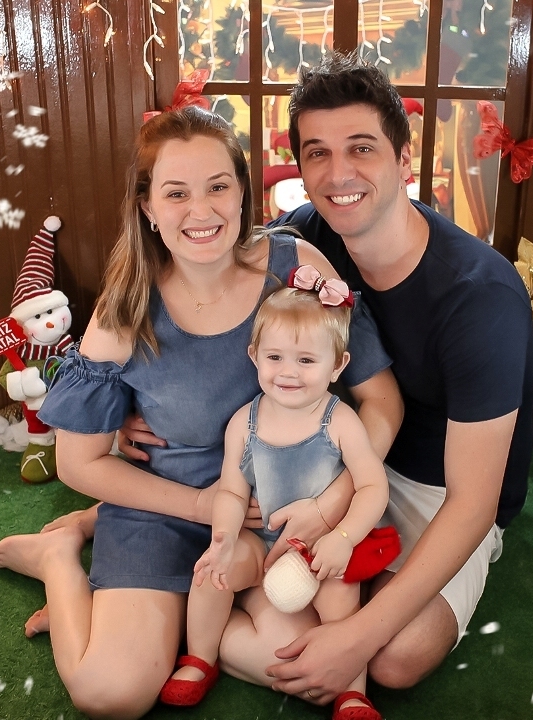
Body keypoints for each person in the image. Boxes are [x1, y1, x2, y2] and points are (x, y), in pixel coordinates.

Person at [0, 105, 402, 719]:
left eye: (217, 187)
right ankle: (58, 561)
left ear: (243, 192)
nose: (200, 211)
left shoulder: (297, 270)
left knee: (310, 671)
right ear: (148, 207)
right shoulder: (126, 306)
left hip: (276, 519)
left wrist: (333, 502)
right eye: (176, 193)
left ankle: (176, 618)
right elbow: (78, 462)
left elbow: (382, 401)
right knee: (111, 695)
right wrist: (203, 506)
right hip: (165, 508)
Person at [212, 52, 533, 702]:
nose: (339, 174)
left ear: (403, 160)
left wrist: (356, 641)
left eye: (361, 148)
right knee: (227, 504)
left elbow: (474, 503)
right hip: (335, 451)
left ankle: (217, 634)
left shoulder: (480, 296)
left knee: (392, 658)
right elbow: (204, 281)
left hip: (439, 487)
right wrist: (133, 399)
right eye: (318, 154)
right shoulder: (309, 235)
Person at [160, 282, 390, 720]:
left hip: (321, 545)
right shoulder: (244, 423)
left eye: (306, 360)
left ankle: (352, 692)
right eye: (275, 357)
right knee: (212, 572)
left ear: (337, 365)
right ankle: (200, 658)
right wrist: (224, 538)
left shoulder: (339, 421)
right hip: (260, 540)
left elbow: (373, 488)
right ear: (254, 356)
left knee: (341, 597)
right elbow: (232, 491)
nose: (288, 372)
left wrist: (344, 537)